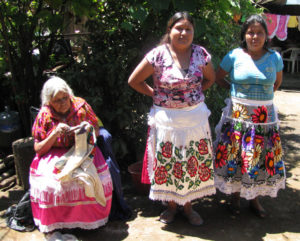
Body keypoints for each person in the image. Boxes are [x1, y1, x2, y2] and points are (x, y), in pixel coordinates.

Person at [128, 11, 216, 226]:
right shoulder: (157, 55)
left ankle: (188, 206)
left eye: (188, 29)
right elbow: (134, 81)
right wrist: (156, 94)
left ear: (193, 32)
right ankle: (171, 206)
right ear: (169, 31)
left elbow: (210, 79)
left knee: (192, 163)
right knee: (170, 163)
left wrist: (191, 97)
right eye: (179, 28)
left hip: (194, 121)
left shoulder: (201, 54)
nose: (183, 32)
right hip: (167, 122)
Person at [214, 14, 285, 218]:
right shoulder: (234, 55)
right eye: (250, 32)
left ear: (266, 35)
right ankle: (234, 197)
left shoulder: (275, 58)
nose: (255, 36)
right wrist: (235, 93)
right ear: (244, 35)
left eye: (259, 33)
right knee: (236, 155)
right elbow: (218, 78)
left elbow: (276, 84)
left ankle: (254, 198)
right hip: (239, 115)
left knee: (258, 156)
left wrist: (261, 100)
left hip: (264, 117)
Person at [29, 76, 113, 233]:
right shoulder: (44, 114)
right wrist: (54, 134)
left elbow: (95, 131)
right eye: (57, 100)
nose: (62, 103)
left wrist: (86, 130)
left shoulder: (81, 106)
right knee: (52, 183)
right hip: (54, 154)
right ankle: (61, 224)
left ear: (70, 95)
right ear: (49, 102)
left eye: (65, 98)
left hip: (82, 150)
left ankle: (88, 222)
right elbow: (39, 148)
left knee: (92, 179)